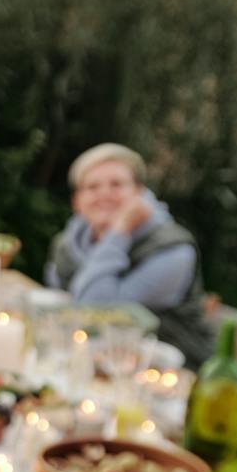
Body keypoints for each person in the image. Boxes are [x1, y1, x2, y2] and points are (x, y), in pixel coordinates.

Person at [45, 142, 216, 365]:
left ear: (140, 194)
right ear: (77, 201)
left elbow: (97, 310)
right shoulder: (66, 245)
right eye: (92, 187)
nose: (104, 194)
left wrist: (119, 230)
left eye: (116, 185)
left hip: (167, 374)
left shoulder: (173, 250)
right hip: (90, 362)